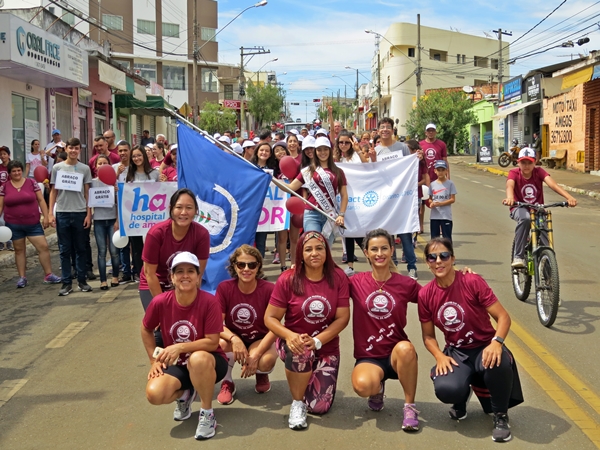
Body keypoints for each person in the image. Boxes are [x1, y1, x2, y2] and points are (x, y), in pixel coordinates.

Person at [418, 237, 523, 443]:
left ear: (453, 258)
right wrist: (439, 356)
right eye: (432, 257)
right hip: (457, 352)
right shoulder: (425, 294)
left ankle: (500, 415)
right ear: (428, 263)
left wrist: (497, 342)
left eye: (443, 256)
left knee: (499, 363)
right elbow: (428, 336)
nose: (438, 261)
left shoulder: (471, 281)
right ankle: (460, 398)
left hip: (484, 345)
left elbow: (503, 317)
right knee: (446, 389)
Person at [264, 231, 350, 430]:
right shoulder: (288, 279)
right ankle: (297, 402)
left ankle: (306, 377)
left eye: (319, 248)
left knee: (320, 406)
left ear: (327, 252)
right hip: (294, 342)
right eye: (308, 249)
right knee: (302, 349)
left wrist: (318, 340)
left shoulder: (337, 277)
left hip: (325, 346)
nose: (314, 253)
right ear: (300, 254)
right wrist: (289, 335)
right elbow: (270, 318)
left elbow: (343, 317)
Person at [141, 252, 228, 440]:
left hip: (209, 362)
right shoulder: (160, 302)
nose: (185, 275)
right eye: (179, 271)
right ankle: (185, 394)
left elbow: (212, 342)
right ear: (172, 277)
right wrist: (153, 360)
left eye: (191, 271)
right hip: (178, 365)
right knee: (154, 394)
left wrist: (179, 347)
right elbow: (145, 328)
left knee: (198, 358)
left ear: (198, 277)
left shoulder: (209, 302)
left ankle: (207, 413)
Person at [349, 229, 420, 431]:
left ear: (391, 250)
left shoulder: (406, 284)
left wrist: (461, 278)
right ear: (366, 252)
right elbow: (324, 285)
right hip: (369, 355)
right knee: (363, 386)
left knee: (406, 348)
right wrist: (298, 270)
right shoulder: (355, 282)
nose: (379, 253)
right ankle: (377, 388)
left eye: (384, 248)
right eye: (374, 249)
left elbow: (435, 297)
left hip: (397, 355)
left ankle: (409, 406)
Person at [215, 245, 277, 405]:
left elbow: (276, 327)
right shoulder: (225, 288)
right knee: (220, 343)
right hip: (234, 336)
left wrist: (255, 356)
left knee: (266, 361)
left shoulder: (269, 289)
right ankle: (227, 382)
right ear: (234, 266)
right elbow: (216, 324)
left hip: (259, 337)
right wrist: (234, 339)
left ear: (259, 267)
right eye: (241, 264)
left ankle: (260, 372)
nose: (246, 269)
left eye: (252, 265)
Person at [503, 147, 577, 268]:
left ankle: (549, 271)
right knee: (526, 219)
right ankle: (519, 256)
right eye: (523, 162)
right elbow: (509, 185)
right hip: (519, 208)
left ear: (535, 162)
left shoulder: (539, 172)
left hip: (537, 209)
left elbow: (553, 184)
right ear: (518, 162)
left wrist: (569, 198)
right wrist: (510, 198)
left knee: (544, 236)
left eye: (529, 162)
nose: (526, 166)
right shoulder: (514, 173)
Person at [140, 188, 210, 311]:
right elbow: (149, 273)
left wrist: (192, 300)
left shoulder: (202, 234)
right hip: (155, 282)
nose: (183, 212)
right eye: (179, 207)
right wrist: (163, 307)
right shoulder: (156, 233)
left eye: (189, 208)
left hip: (183, 281)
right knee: (161, 325)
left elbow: (198, 273)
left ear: (196, 211)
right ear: (171, 209)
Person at [0, 160, 61, 287]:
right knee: (19, 250)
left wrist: (46, 217)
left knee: (43, 247)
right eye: (13, 171)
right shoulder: (4, 187)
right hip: (13, 224)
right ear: (9, 173)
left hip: (33, 223)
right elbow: (0, 206)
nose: (17, 173)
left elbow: (41, 200)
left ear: (22, 171)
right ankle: (22, 277)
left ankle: (48, 274)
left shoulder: (31, 182)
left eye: (18, 170)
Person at [48, 137, 93, 296]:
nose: (73, 151)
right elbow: (53, 191)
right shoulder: (57, 168)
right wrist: (50, 213)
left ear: (79, 150)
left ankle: (82, 280)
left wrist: (89, 214)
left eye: (76, 148)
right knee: (64, 250)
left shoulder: (85, 169)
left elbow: (88, 192)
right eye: (71, 148)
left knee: (81, 248)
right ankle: (66, 282)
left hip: (80, 212)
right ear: (65, 149)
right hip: (62, 213)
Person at [287, 137, 347, 246]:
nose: (322, 152)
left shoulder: (338, 171)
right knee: (313, 245)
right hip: (311, 214)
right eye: (319, 150)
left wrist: (341, 215)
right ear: (315, 152)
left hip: (330, 215)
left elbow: (344, 195)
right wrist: (272, 180)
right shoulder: (308, 170)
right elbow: (291, 187)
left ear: (330, 150)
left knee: (326, 250)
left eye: (325, 149)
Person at [335, 131, 366, 276]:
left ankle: (371, 260)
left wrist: (359, 150)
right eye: (341, 142)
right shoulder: (336, 158)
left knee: (360, 233)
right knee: (347, 232)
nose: (343, 145)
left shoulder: (355, 156)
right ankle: (350, 266)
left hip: (358, 198)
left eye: (346, 142)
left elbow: (367, 165)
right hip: (343, 198)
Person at [127, 145, 159, 282]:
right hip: (134, 218)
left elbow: (162, 193)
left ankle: (154, 273)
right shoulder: (127, 175)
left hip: (152, 217)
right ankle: (141, 276)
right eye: (134, 156)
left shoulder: (155, 174)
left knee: (153, 246)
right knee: (137, 248)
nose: (137, 158)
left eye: (139, 155)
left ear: (144, 157)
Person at [91, 155, 120, 290]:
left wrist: (115, 193)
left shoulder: (115, 183)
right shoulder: (91, 183)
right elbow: (88, 201)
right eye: (99, 163)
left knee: (114, 251)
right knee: (101, 251)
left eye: (105, 163)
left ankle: (115, 276)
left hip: (112, 219)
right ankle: (103, 280)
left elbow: (119, 203)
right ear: (95, 166)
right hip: (98, 220)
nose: (102, 165)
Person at [251, 142, 277, 258]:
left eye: (267, 151)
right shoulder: (248, 166)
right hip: (250, 210)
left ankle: (258, 270)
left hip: (265, 212)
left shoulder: (274, 169)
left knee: (261, 242)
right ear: (257, 151)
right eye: (262, 150)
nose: (264, 153)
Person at [429, 160, 457, 242]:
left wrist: (440, 203)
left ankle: (448, 254)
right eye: (438, 170)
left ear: (446, 171)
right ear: (435, 171)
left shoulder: (450, 184)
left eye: (442, 170)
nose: (440, 172)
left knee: (447, 239)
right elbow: (430, 198)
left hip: (446, 216)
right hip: (434, 216)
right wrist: (432, 203)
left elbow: (452, 199)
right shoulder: (432, 184)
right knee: (434, 239)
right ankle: (434, 254)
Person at [407, 140, 430, 235]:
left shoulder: (421, 163)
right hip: (405, 194)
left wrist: (415, 184)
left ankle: (413, 238)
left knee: (415, 215)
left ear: (414, 150)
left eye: (408, 149)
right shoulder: (404, 161)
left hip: (417, 194)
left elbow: (425, 179)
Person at [0, 145, 14, 251]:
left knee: (9, 219)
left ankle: (9, 241)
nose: (2, 156)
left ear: (9, 155)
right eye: (1, 154)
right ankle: (1, 241)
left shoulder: (13, 167)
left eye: (4, 154)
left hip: (10, 196)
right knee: (0, 219)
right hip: (0, 196)